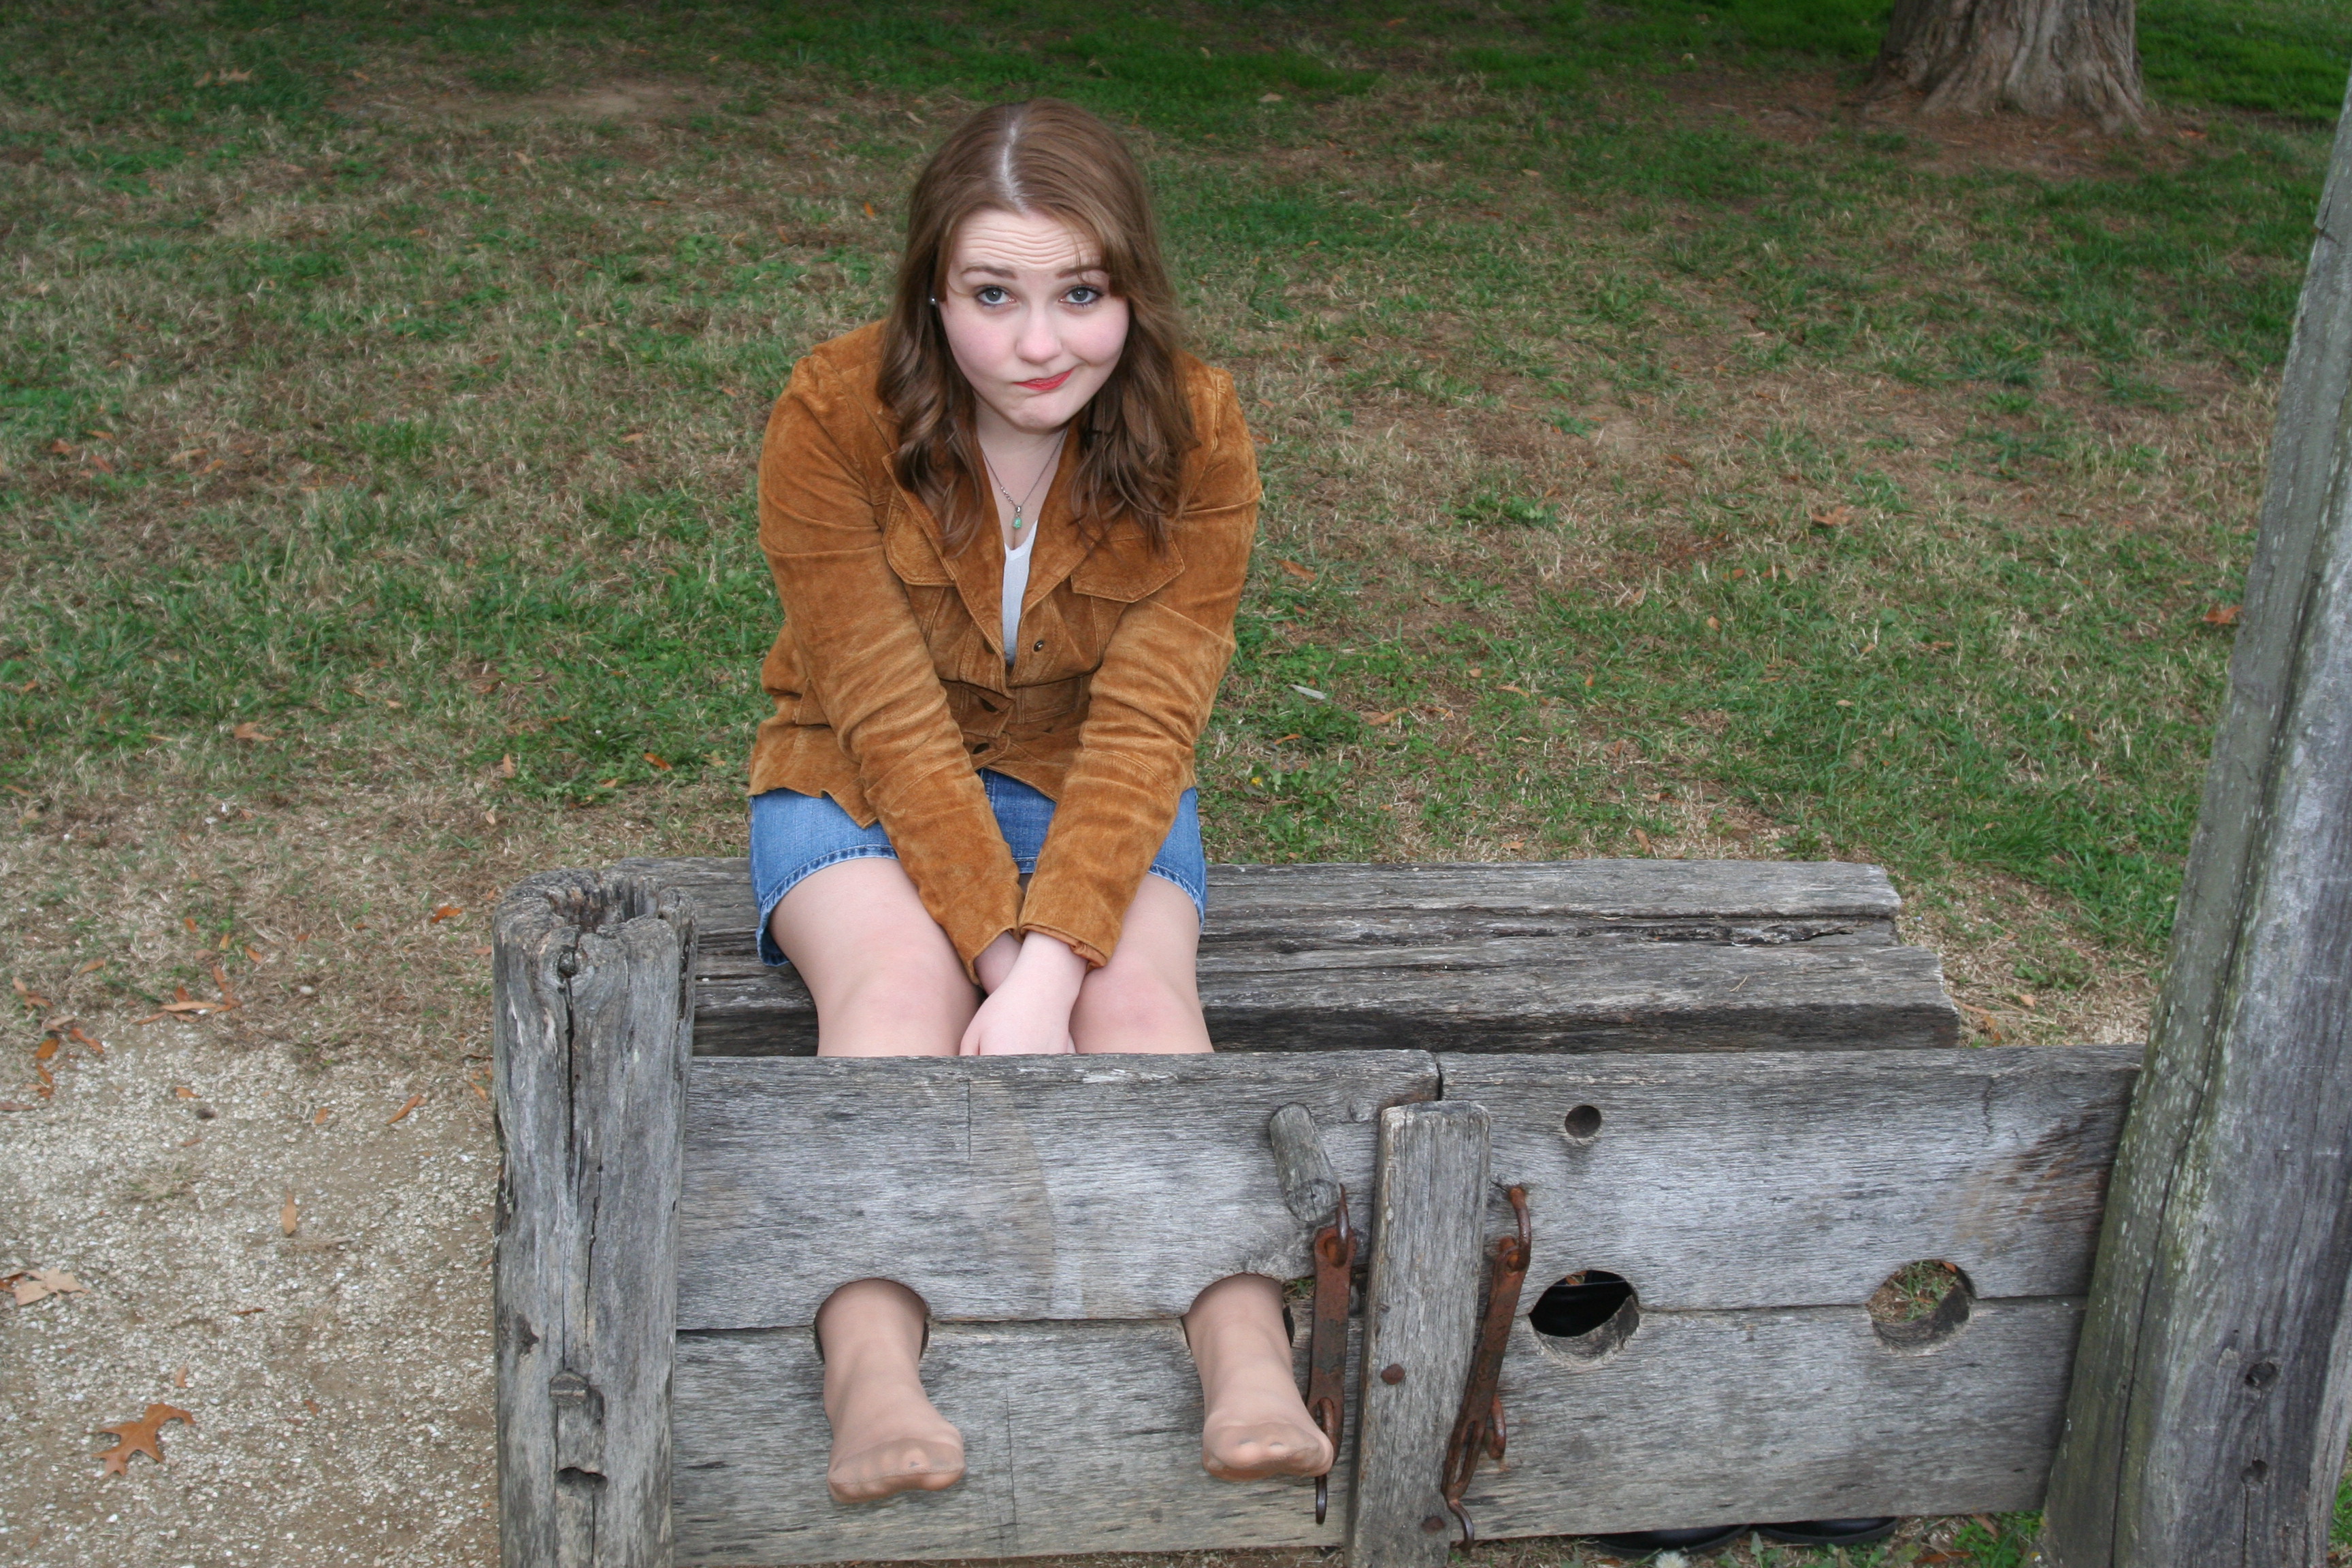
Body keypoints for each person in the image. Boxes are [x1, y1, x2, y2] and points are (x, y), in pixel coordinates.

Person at [747, 98, 1333, 1507]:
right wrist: (1003, 971)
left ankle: (1243, 1348)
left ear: (1130, 286)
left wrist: (1063, 960)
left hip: (1094, 783)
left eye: (1081, 293)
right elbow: (883, 711)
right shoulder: (831, 415)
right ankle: (870, 1359)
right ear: (930, 293)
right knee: (895, 995)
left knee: (1141, 1006)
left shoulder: (1201, 428)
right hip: (857, 777)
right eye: (992, 295)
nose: (1039, 343)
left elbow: (1151, 717)